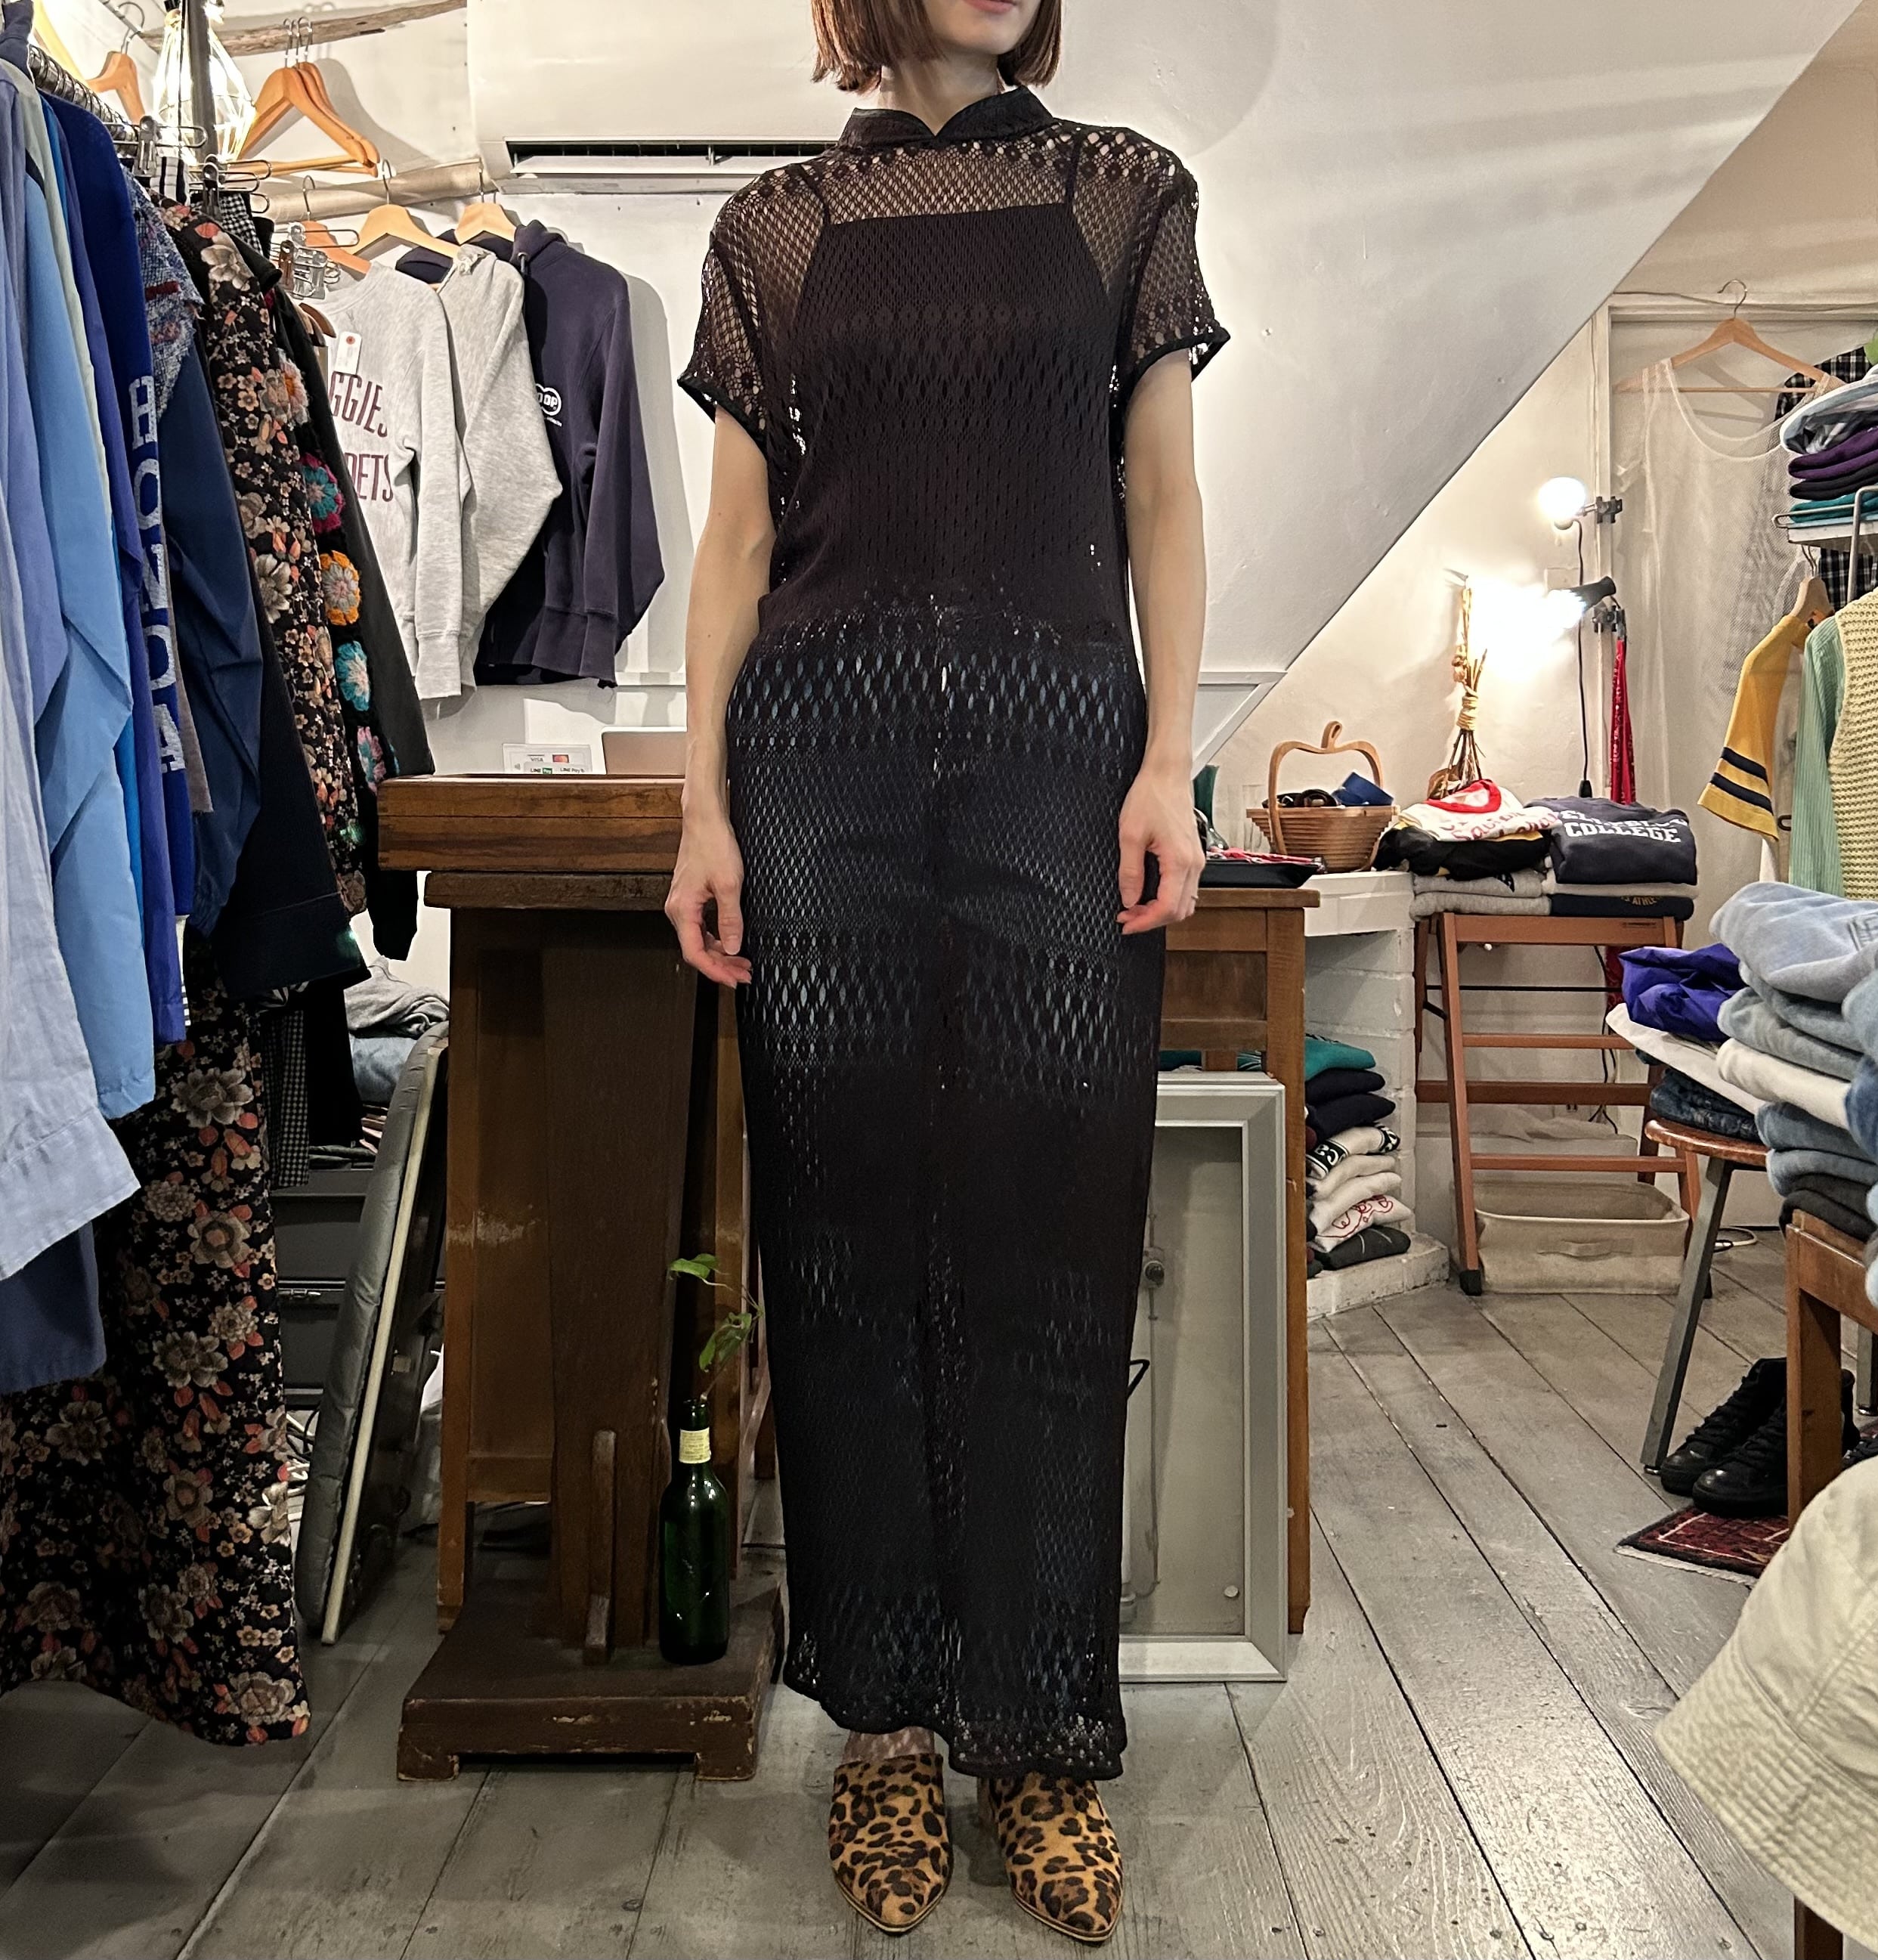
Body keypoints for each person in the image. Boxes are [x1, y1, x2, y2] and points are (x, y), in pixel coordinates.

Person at [667, 0, 1225, 1939]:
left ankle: (1041, 1727)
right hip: (817, 766)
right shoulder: (774, 227)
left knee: (1047, 1240)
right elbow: (735, 545)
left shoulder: (1121, 195)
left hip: (1059, 759)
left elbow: (1159, 494)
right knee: (838, 1248)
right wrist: (702, 808)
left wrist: (1167, 758)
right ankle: (888, 1726)